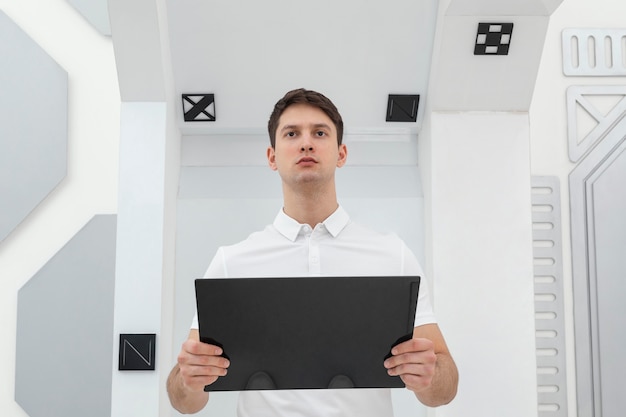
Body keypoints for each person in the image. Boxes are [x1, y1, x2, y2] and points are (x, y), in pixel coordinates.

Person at [167, 88, 458, 415]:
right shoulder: (232, 262)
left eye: (320, 133)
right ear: (272, 157)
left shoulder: (393, 255)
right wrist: (188, 380)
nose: (306, 142)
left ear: (341, 153)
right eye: (291, 134)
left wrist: (428, 377)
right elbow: (184, 401)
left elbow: (443, 390)